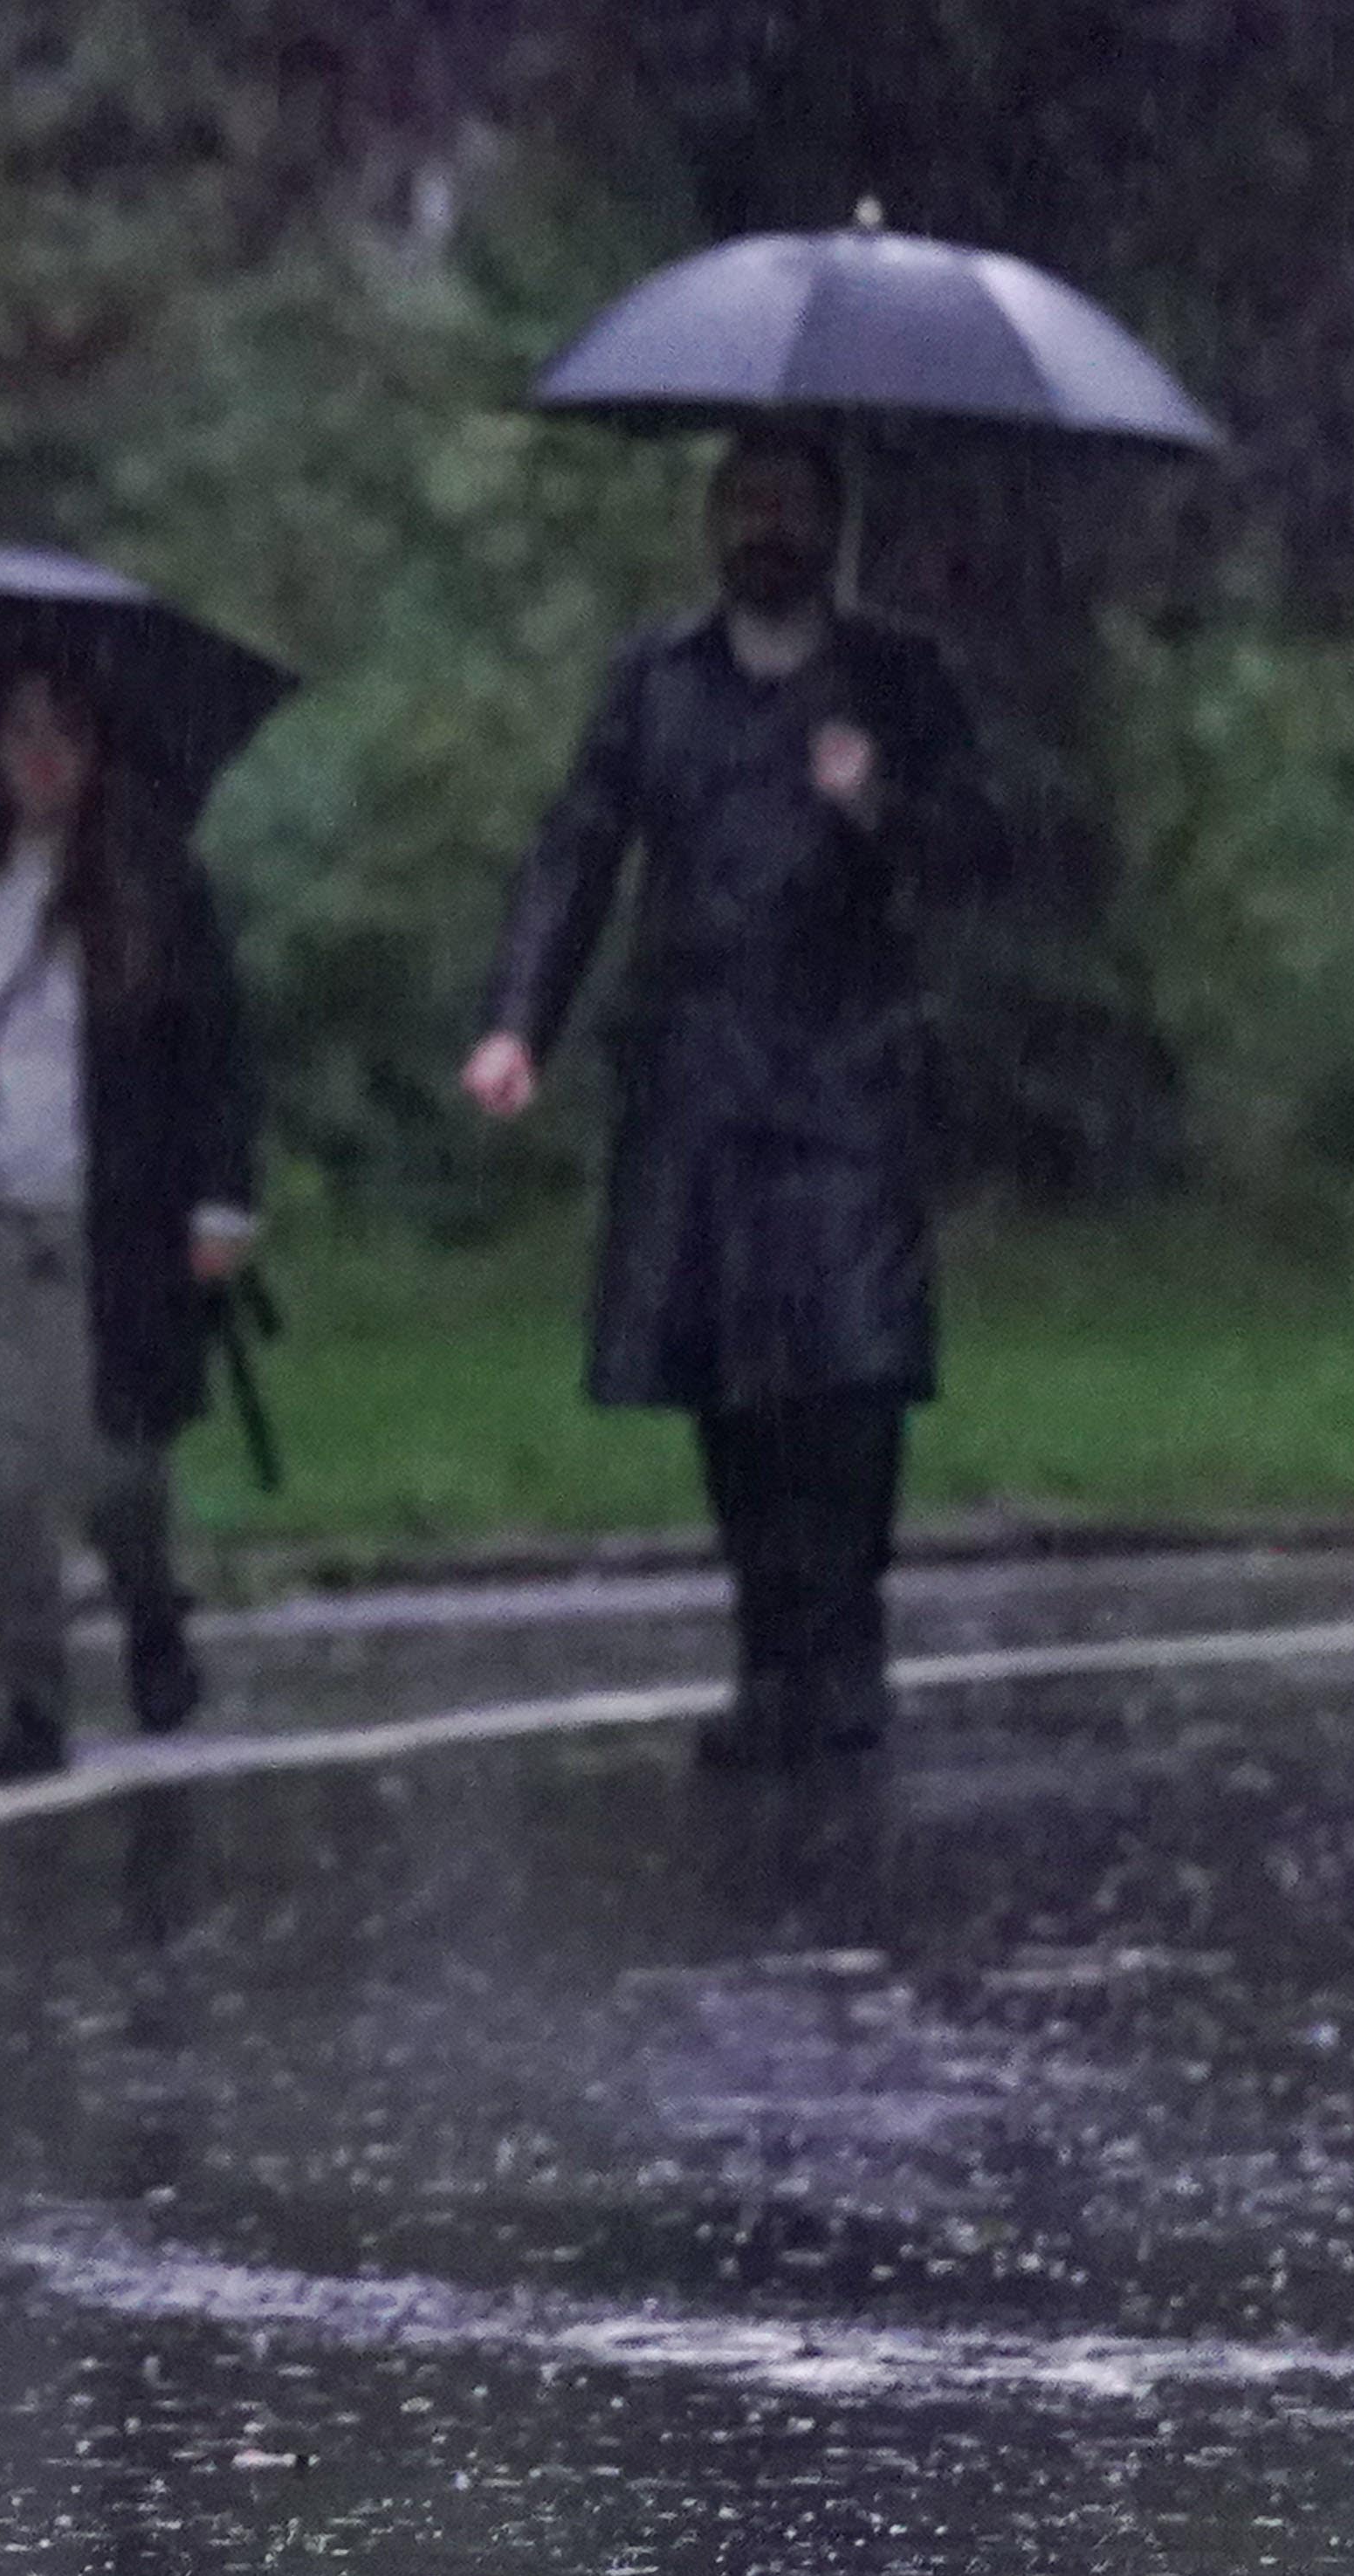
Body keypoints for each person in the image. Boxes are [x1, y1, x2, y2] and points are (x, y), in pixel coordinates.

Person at [461, 427, 999, 1769]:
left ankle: (844, 1646)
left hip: (845, 1071)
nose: (760, 530)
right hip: (699, 1073)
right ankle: (770, 1657)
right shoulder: (657, 681)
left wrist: (874, 801)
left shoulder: (894, 676)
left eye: (786, 507)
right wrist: (518, 1019)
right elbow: (579, 847)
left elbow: (980, 852)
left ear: (829, 526)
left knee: (851, 1372)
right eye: (739, 506)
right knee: (727, 1378)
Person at [0, 665, 266, 1783]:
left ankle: (150, 1610)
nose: (41, 760)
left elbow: (218, 1056)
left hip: (117, 1213)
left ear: (96, 754)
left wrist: (222, 1198)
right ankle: (30, 1702)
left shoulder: (152, 882)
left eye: (65, 737)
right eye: (20, 734)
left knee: (117, 1459)